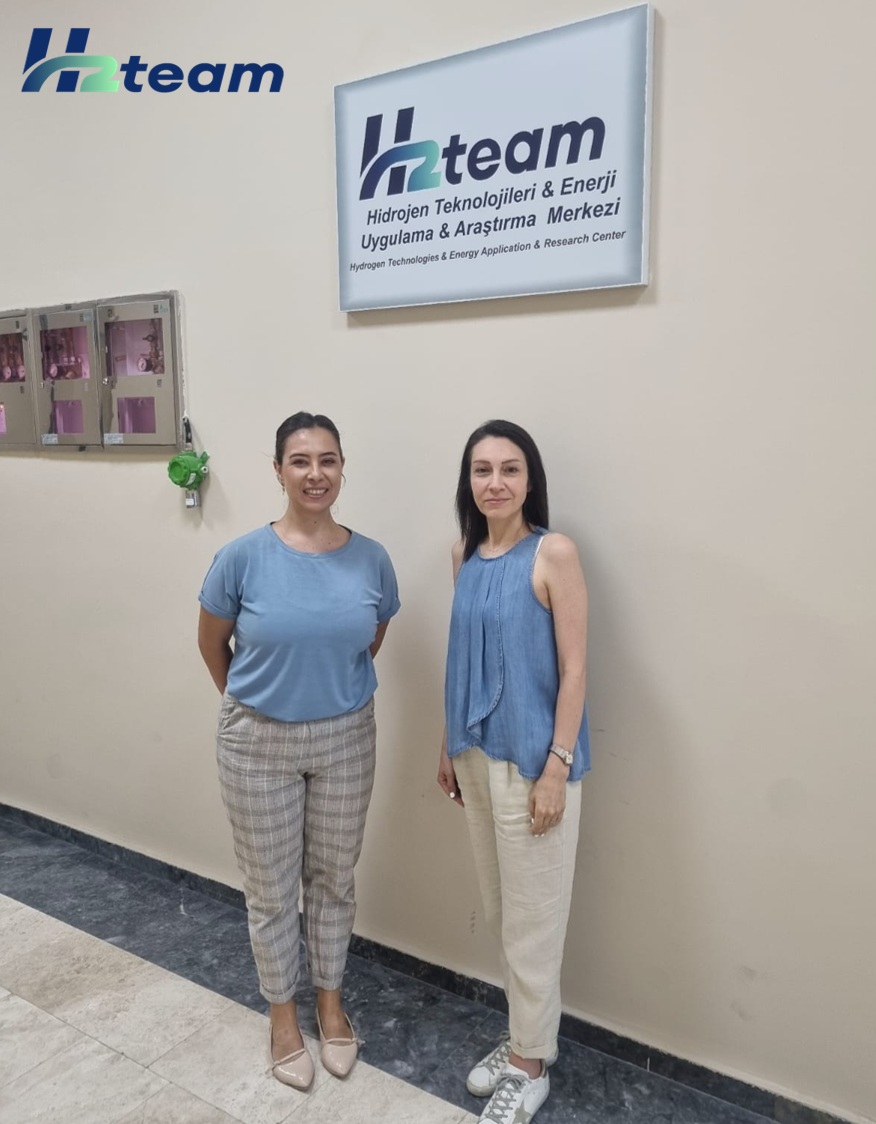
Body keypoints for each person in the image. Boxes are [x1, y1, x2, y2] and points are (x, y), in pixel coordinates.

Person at [198, 411, 400, 1090]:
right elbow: (212, 643)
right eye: (301, 461)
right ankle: (282, 1015)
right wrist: (259, 705)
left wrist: (323, 693)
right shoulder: (243, 557)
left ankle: (330, 1004)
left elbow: (369, 638)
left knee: (334, 879)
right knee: (271, 890)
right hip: (256, 741)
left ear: (342, 468)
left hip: (346, 738)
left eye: (328, 460)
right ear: (279, 470)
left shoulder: (371, 559)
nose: (316, 474)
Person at [438, 419, 590, 1124]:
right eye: (482, 470)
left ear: (530, 481)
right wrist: (446, 743)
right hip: (475, 757)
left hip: (533, 766)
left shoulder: (553, 552)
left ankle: (530, 1065)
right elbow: (460, 658)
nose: (494, 482)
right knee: (505, 913)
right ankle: (527, 1037)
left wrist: (557, 767)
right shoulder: (464, 554)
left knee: (535, 921)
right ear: (467, 482)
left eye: (509, 469)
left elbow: (575, 669)